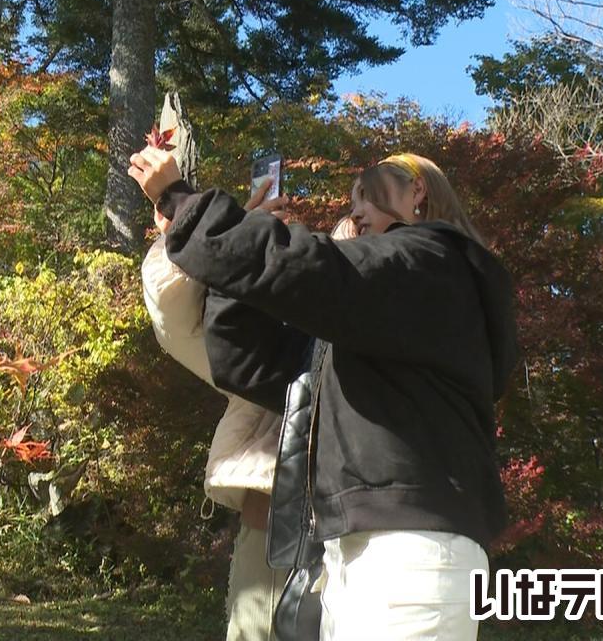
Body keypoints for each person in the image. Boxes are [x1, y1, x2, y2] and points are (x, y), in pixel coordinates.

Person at [128, 149, 518, 640]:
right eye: (351, 200)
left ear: (417, 191)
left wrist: (183, 201)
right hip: (353, 557)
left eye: (367, 195)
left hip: (414, 558)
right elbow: (253, 364)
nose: (354, 212)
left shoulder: (435, 263)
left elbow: (311, 268)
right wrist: (230, 271)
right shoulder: (381, 322)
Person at [142, 178, 359, 640]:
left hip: (371, 536)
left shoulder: (399, 325)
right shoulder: (276, 326)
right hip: (274, 526)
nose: (359, 229)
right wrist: (228, 237)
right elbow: (175, 318)